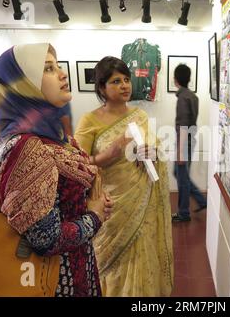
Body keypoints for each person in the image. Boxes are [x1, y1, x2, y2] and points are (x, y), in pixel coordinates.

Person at [0, 43, 113, 296]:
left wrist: (90, 199)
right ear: (22, 86)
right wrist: (94, 216)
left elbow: (64, 194)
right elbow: (46, 239)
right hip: (54, 279)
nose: (63, 73)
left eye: (57, 65)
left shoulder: (55, 137)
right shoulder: (28, 148)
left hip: (74, 267)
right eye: (48, 69)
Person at [74, 56, 173, 296]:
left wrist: (153, 152)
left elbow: (154, 149)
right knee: (111, 263)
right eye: (116, 81)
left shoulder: (138, 115)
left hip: (142, 202)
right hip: (111, 206)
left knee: (142, 252)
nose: (124, 85)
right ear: (101, 88)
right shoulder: (90, 120)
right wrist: (109, 154)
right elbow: (76, 165)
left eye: (126, 80)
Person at [171, 64, 207, 222]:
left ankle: (184, 213)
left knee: (181, 176)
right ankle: (201, 200)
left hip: (184, 142)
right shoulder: (193, 96)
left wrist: (180, 150)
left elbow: (183, 126)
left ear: (176, 79)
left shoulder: (183, 99)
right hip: (190, 140)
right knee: (179, 174)